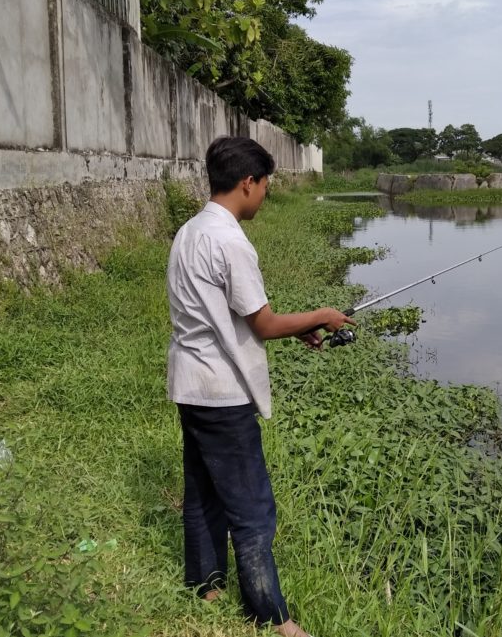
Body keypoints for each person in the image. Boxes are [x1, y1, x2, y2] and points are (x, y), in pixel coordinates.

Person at [167, 136, 354, 637]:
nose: (265, 195)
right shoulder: (230, 241)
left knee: (204, 492)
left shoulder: (189, 231)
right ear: (248, 183)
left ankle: (205, 586)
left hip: (191, 385)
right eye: (266, 185)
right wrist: (322, 315)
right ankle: (272, 619)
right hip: (223, 393)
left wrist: (302, 327)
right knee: (251, 508)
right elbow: (265, 323)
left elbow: (233, 317)